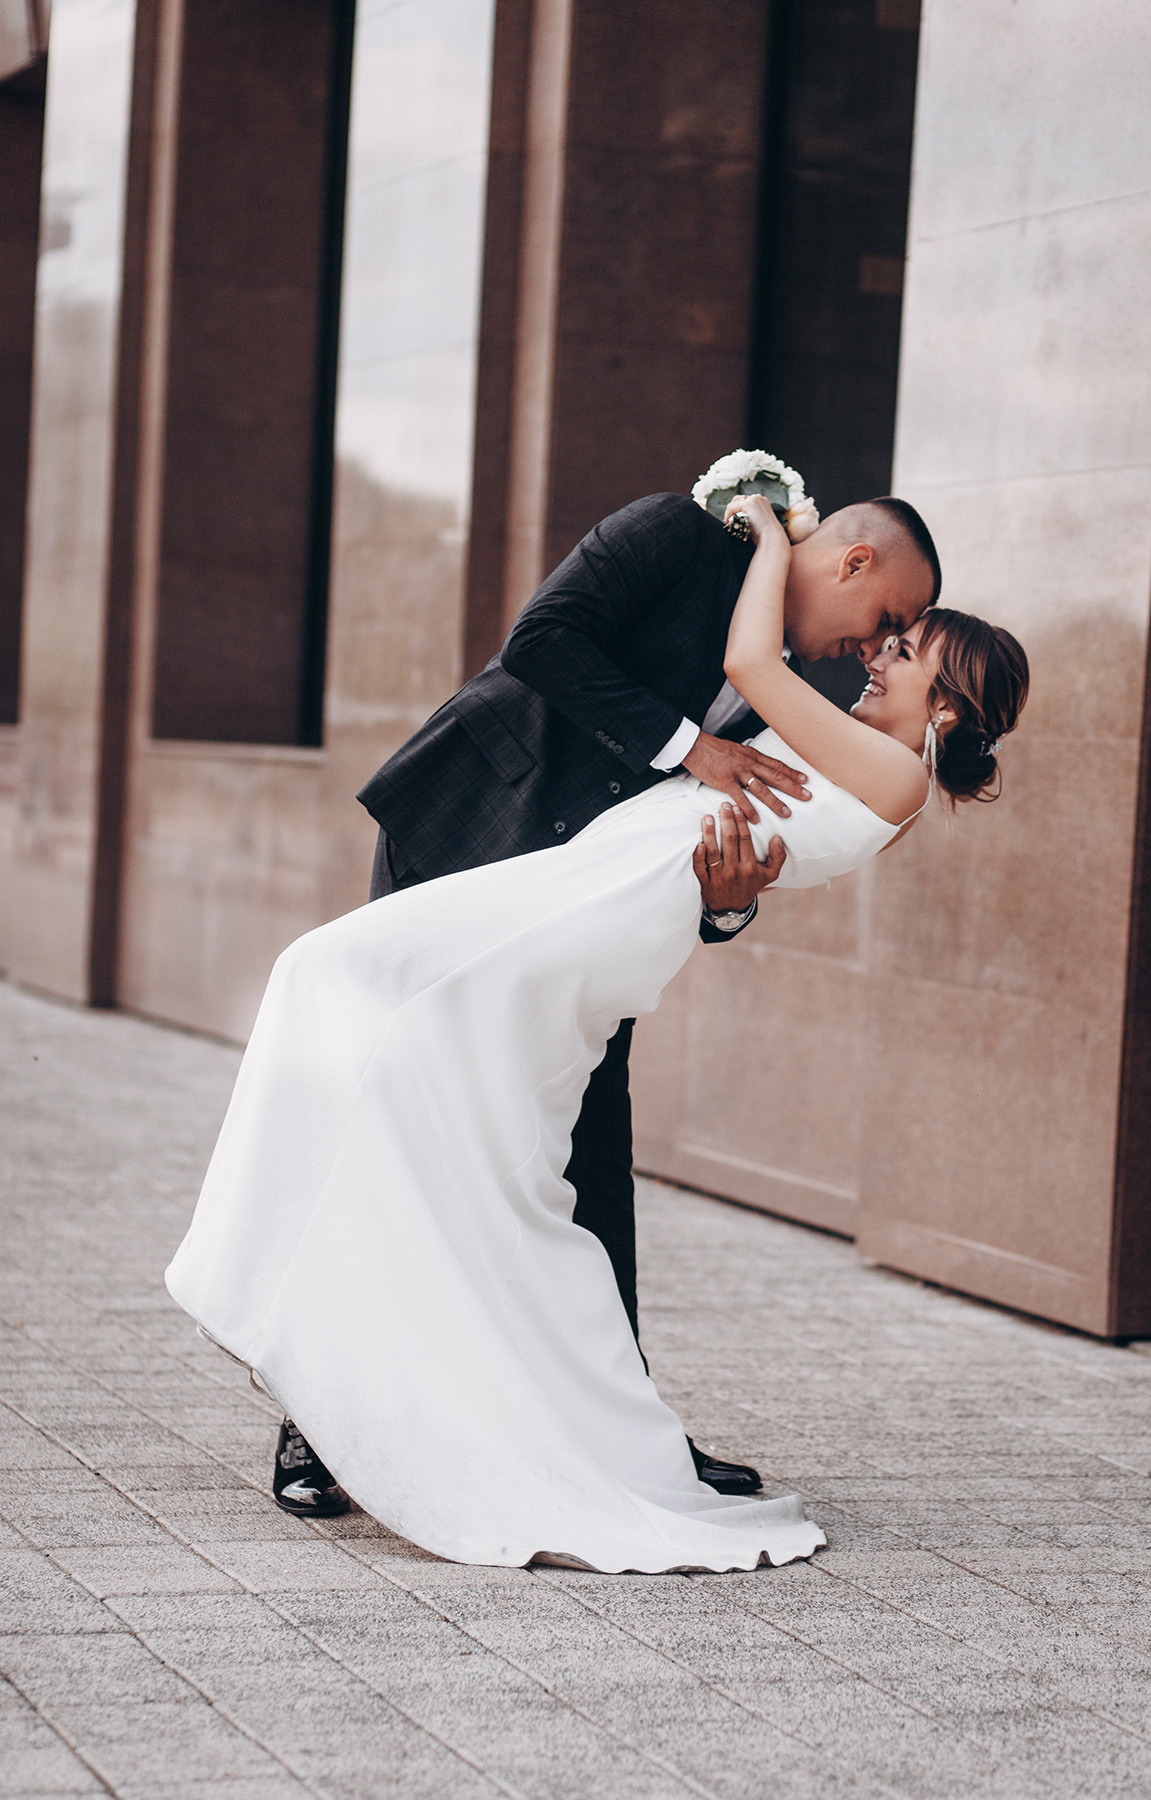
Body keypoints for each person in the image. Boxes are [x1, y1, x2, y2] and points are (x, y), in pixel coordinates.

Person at [165, 490, 1028, 1574]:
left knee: (535, 1160)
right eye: (889, 622)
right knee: (390, 1071)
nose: (877, 649)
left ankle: (600, 1434)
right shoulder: (677, 538)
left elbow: (752, 831)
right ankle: (326, 1402)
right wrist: (697, 745)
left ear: (942, 713)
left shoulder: (833, 705)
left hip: (595, 907)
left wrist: (728, 897)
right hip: (489, 832)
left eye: (904, 649)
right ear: (853, 560)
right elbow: (545, 644)